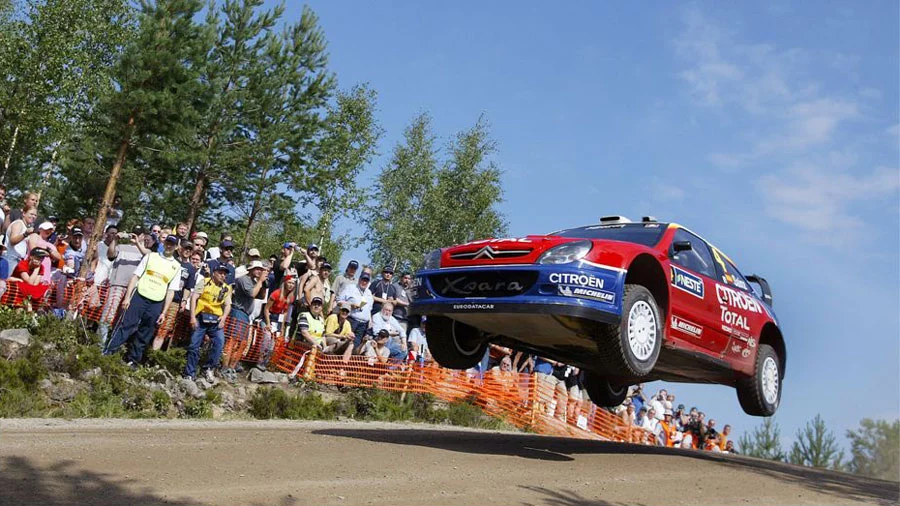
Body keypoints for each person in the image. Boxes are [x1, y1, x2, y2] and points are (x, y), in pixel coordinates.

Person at [103, 235, 182, 366]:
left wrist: (164, 312)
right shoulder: (151, 256)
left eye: (172, 244)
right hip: (139, 295)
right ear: (164, 243)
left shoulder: (176, 266)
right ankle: (109, 353)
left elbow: (171, 291)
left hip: (156, 301)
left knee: (145, 333)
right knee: (126, 325)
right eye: (167, 243)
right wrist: (127, 297)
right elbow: (135, 277)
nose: (169, 246)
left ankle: (133, 360)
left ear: (176, 247)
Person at [184, 263, 232, 381]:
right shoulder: (204, 282)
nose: (222, 275)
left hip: (216, 319)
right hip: (201, 316)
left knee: (220, 342)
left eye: (224, 274)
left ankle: (209, 368)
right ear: (214, 272)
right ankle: (190, 373)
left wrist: (224, 318)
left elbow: (228, 305)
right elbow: (194, 298)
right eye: (220, 272)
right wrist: (192, 317)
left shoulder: (226, 288)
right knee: (194, 345)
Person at [337, 272, 373, 347]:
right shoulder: (350, 288)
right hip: (351, 320)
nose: (364, 282)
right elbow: (339, 301)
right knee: (344, 343)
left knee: (355, 346)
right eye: (363, 280)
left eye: (366, 281)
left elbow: (369, 309)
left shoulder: (369, 293)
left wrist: (370, 322)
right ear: (359, 279)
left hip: (363, 324)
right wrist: (350, 305)